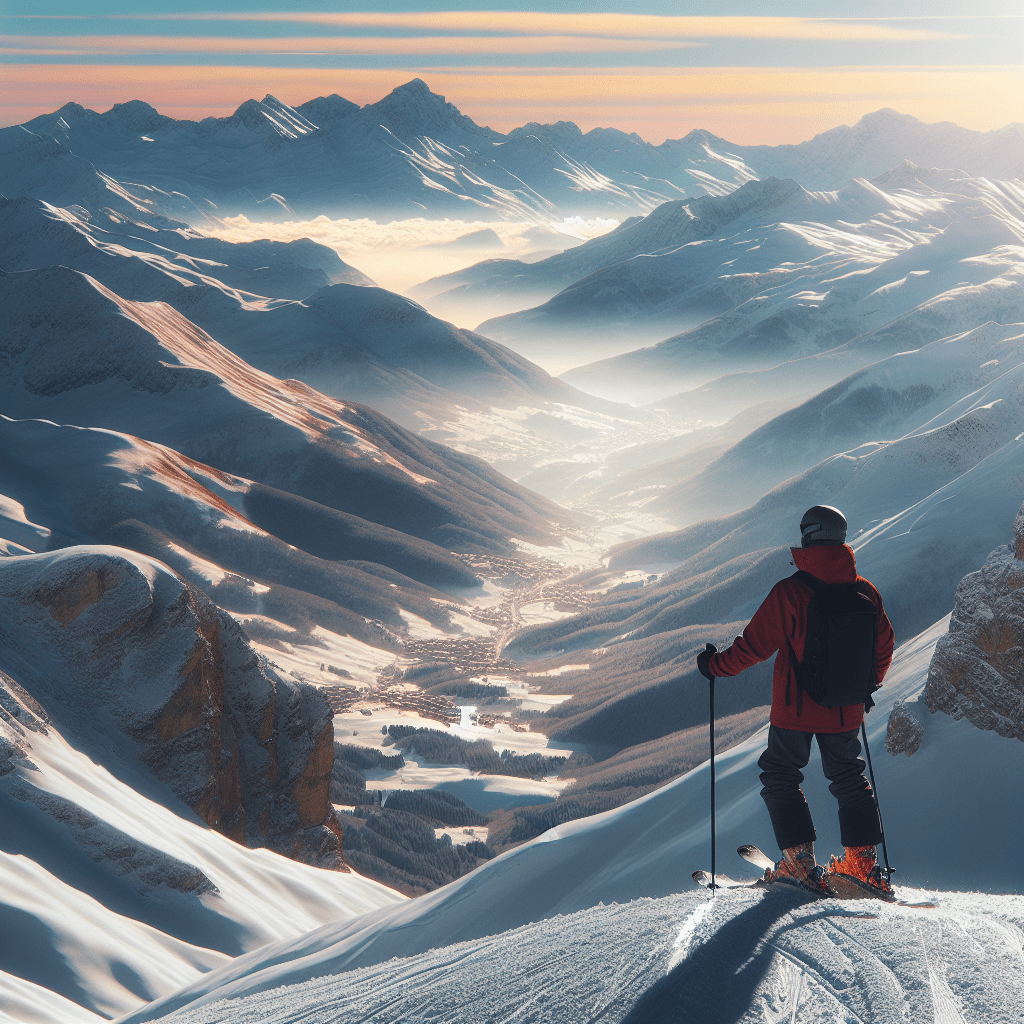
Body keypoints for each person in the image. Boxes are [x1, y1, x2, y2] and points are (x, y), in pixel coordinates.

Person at [696, 505, 895, 895]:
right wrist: (864, 686)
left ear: (808, 537)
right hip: (845, 711)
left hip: (795, 711)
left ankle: (800, 865)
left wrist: (713, 666)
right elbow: (884, 646)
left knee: (781, 776)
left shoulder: (791, 592)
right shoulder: (866, 591)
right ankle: (863, 865)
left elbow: (751, 648)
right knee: (850, 778)